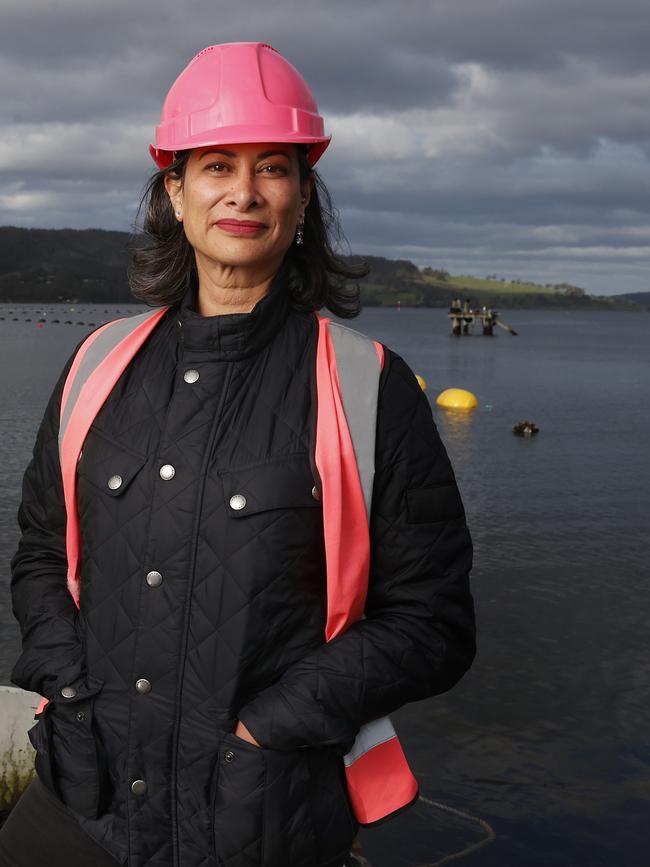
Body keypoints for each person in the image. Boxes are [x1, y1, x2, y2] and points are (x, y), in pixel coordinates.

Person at [0, 42, 475, 867]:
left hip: (262, 822)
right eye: (216, 165)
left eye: (273, 168)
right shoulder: (95, 368)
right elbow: (42, 550)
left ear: (302, 198)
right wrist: (67, 687)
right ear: (175, 192)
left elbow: (432, 618)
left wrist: (271, 726)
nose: (244, 192)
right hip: (81, 801)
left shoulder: (367, 385)